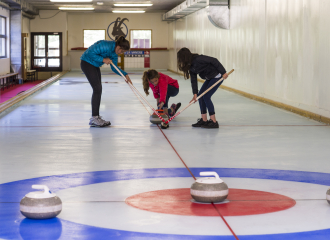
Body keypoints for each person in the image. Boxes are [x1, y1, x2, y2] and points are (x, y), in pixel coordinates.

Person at [80, 36, 131, 127]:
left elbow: (114, 68)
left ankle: (95, 117)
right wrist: (103, 60)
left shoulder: (114, 54)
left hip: (95, 65)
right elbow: (90, 53)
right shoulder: (105, 45)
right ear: (118, 47)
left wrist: (125, 75)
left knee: (98, 89)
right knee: (97, 89)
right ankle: (94, 118)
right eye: (122, 51)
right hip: (86, 62)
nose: (121, 53)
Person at [177, 47, 228, 128]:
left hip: (217, 76)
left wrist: (223, 72)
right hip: (209, 78)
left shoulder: (198, 59)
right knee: (200, 96)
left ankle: (214, 121)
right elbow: (193, 80)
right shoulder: (190, 65)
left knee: (206, 96)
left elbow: (214, 60)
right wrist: (195, 94)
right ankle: (204, 120)